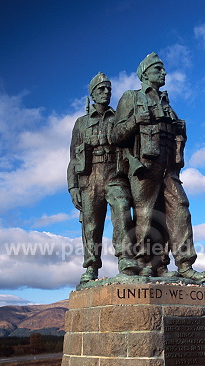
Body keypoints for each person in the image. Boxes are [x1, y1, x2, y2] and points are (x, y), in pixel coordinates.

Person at [111, 53, 205, 284]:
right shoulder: (131, 98)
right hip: (145, 165)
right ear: (145, 73)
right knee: (146, 215)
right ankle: (148, 264)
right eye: (158, 69)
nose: (164, 73)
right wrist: (136, 119)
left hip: (169, 166)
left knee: (180, 208)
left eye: (163, 69)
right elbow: (115, 135)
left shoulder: (167, 104)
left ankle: (185, 265)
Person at [67, 72, 138, 283]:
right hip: (89, 177)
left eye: (108, 89)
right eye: (101, 89)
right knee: (91, 225)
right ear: (92, 94)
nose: (106, 92)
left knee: (123, 207)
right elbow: (72, 158)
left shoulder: (119, 118)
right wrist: (73, 188)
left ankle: (126, 259)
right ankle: (91, 266)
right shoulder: (81, 123)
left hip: (114, 174)